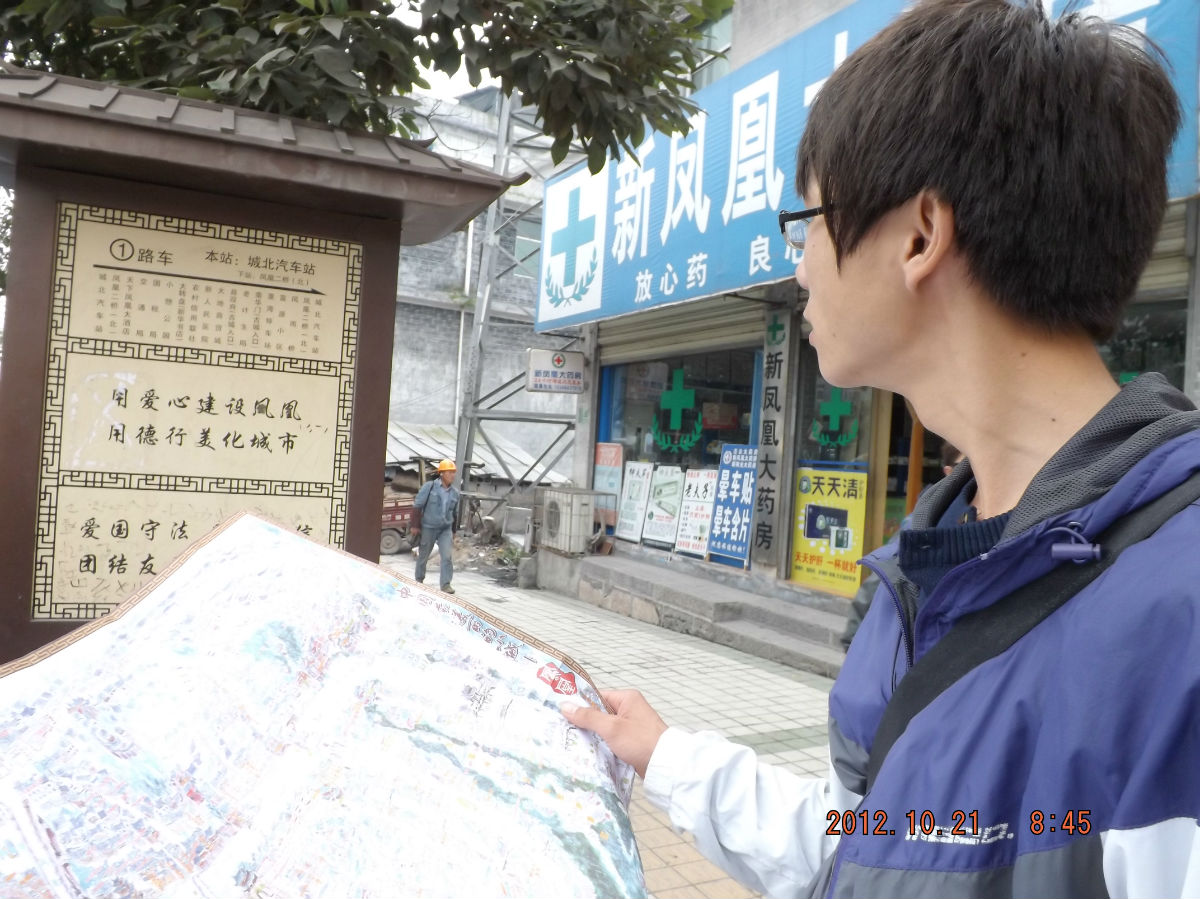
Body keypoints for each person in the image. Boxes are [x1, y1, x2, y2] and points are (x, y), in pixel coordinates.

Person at [564, 1, 1200, 895]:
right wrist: (667, 757)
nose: (798, 266)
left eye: (809, 223)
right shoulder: (921, 572)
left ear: (919, 235)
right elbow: (880, 841)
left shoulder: (1179, 613)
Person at [412, 459, 460, 594]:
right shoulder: (429, 487)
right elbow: (417, 506)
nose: (452, 475)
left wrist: (454, 531)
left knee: (447, 556)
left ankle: (445, 584)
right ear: (442, 473)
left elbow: (454, 514)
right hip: (429, 527)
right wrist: (415, 525)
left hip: (445, 528)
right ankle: (419, 579)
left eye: (453, 472)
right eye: (449, 472)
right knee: (424, 555)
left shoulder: (455, 493)